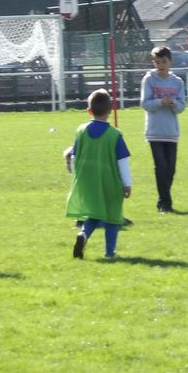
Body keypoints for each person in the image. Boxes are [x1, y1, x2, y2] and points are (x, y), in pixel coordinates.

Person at [66, 89, 132, 259]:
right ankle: (110, 253)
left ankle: (83, 235)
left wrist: (75, 174)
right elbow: (122, 161)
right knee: (112, 217)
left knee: (94, 214)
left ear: (89, 111)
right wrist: (127, 183)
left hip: (88, 181)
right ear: (110, 111)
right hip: (110, 182)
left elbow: (74, 156)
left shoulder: (80, 131)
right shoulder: (114, 135)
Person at [139, 46, 185, 213]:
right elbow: (145, 104)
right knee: (161, 166)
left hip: (171, 132)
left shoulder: (177, 82)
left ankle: (163, 199)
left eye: (164, 61)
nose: (161, 65)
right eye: (157, 62)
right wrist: (160, 102)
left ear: (170, 61)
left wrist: (172, 104)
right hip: (155, 131)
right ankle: (165, 203)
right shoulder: (149, 79)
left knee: (171, 168)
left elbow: (181, 106)